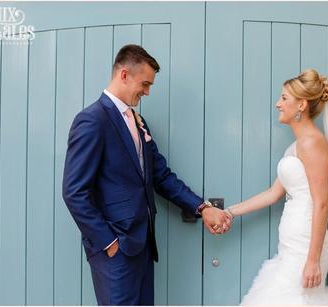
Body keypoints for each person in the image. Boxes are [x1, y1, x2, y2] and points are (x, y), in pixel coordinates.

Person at [62, 44, 231, 305]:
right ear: (124, 75)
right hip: (115, 250)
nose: (147, 92)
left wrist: (202, 207)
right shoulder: (92, 120)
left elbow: (160, 176)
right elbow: (74, 192)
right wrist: (108, 243)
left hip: (143, 246)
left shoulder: (139, 122)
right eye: (145, 83)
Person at [224, 69, 328, 305]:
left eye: (284, 98)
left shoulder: (313, 143)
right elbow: (273, 194)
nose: (277, 104)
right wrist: (229, 211)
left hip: (307, 243)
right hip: (292, 242)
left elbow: (322, 203)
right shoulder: (296, 146)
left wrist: (313, 260)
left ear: (301, 105)